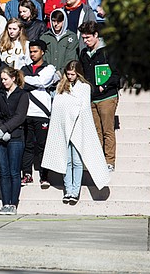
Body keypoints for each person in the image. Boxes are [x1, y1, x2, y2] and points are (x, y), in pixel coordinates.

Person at [42, 60, 110, 203]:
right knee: (66, 161)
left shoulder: (84, 88)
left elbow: (83, 109)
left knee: (77, 162)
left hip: (78, 128)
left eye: (73, 74)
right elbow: (58, 108)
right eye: (68, 74)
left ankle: (75, 191)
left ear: (78, 74)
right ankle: (68, 190)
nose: (70, 76)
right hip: (63, 128)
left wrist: (71, 109)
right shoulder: (61, 87)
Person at [78, 21, 120, 172]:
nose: (85, 41)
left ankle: (109, 161)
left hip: (107, 97)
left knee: (107, 129)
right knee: (96, 131)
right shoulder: (83, 53)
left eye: (88, 37)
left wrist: (104, 86)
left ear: (96, 35)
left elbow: (116, 75)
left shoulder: (107, 51)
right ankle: (98, 159)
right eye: (83, 38)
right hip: (91, 97)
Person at [0, 67, 29, 214]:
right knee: (4, 172)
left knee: (14, 171)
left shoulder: (22, 95)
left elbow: (20, 116)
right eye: (2, 79)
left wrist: (6, 129)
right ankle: (5, 203)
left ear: (13, 78)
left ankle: (13, 203)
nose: (3, 82)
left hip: (15, 137)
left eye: (5, 79)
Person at [21, 39, 58, 186]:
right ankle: (27, 174)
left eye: (35, 51)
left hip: (42, 113)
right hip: (27, 112)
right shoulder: (25, 68)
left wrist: (26, 80)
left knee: (43, 146)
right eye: (30, 51)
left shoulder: (49, 68)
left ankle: (45, 176)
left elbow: (42, 82)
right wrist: (32, 81)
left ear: (42, 52)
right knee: (27, 145)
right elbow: (21, 83)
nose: (32, 54)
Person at [40, 8, 79, 73]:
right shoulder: (45, 37)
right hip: (47, 75)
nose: (56, 24)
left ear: (64, 21)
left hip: (66, 75)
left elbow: (71, 58)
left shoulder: (72, 37)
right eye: (54, 21)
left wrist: (61, 73)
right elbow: (43, 58)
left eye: (59, 21)